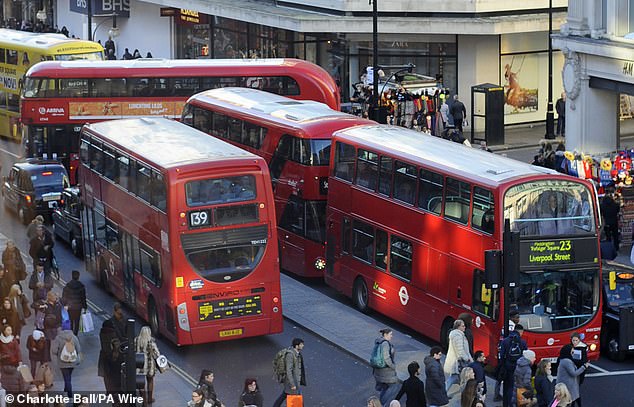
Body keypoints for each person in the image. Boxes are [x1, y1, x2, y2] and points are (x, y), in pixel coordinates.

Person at [499, 324, 527, 407]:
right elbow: (525, 356)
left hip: (507, 367)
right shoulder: (522, 342)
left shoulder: (505, 341)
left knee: (507, 386)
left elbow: (502, 355)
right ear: (521, 332)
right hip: (518, 367)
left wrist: (502, 366)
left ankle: (506, 403)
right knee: (517, 387)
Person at [272, 338, 306, 407]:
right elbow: (288, 370)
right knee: (296, 398)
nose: (303, 346)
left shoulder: (297, 353)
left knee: (285, 395)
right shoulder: (290, 355)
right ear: (296, 346)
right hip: (292, 381)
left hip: (295, 381)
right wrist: (292, 384)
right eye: (301, 344)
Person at [371, 328, 400, 406]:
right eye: (390, 334)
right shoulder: (385, 344)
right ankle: (382, 404)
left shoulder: (378, 342)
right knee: (393, 386)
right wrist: (393, 366)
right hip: (386, 372)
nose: (392, 336)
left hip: (378, 370)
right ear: (385, 335)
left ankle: (380, 403)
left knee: (385, 387)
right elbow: (386, 358)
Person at [444, 319, 473, 390]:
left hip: (456, 363)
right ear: (458, 327)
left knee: (455, 379)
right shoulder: (458, 336)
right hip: (458, 363)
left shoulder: (458, 335)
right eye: (462, 326)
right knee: (458, 379)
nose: (464, 327)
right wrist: (467, 358)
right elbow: (460, 350)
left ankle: (444, 393)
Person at [52, 328, 81, 398]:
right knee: (68, 377)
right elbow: (78, 349)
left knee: (67, 378)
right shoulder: (74, 337)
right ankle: (66, 389)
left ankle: (70, 394)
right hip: (72, 361)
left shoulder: (58, 338)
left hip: (62, 362)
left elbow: (54, 350)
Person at [135, 326, 160, 404]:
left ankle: (144, 400)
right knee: (150, 381)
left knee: (140, 383)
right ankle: (149, 399)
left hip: (139, 364)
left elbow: (132, 351)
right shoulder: (151, 342)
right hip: (150, 365)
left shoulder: (136, 340)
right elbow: (157, 354)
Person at [98, 319, 122, 398]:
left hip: (104, 357)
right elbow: (117, 345)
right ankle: (116, 390)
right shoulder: (113, 334)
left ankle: (109, 390)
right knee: (115, 374)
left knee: (106, 375)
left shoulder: (101, 333)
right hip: (114, 357)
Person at [61, 270, 87, 335]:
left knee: (71, 321)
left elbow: (64, 297)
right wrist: (85, 307)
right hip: (78, 308)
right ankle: (75, 335)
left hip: (70, 307)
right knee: (77, 321)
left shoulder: (67, 286)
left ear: (72, 276)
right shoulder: (81, 287)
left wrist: (64, 305)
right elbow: (83, 298)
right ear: (78, 277)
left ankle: (71, 334)